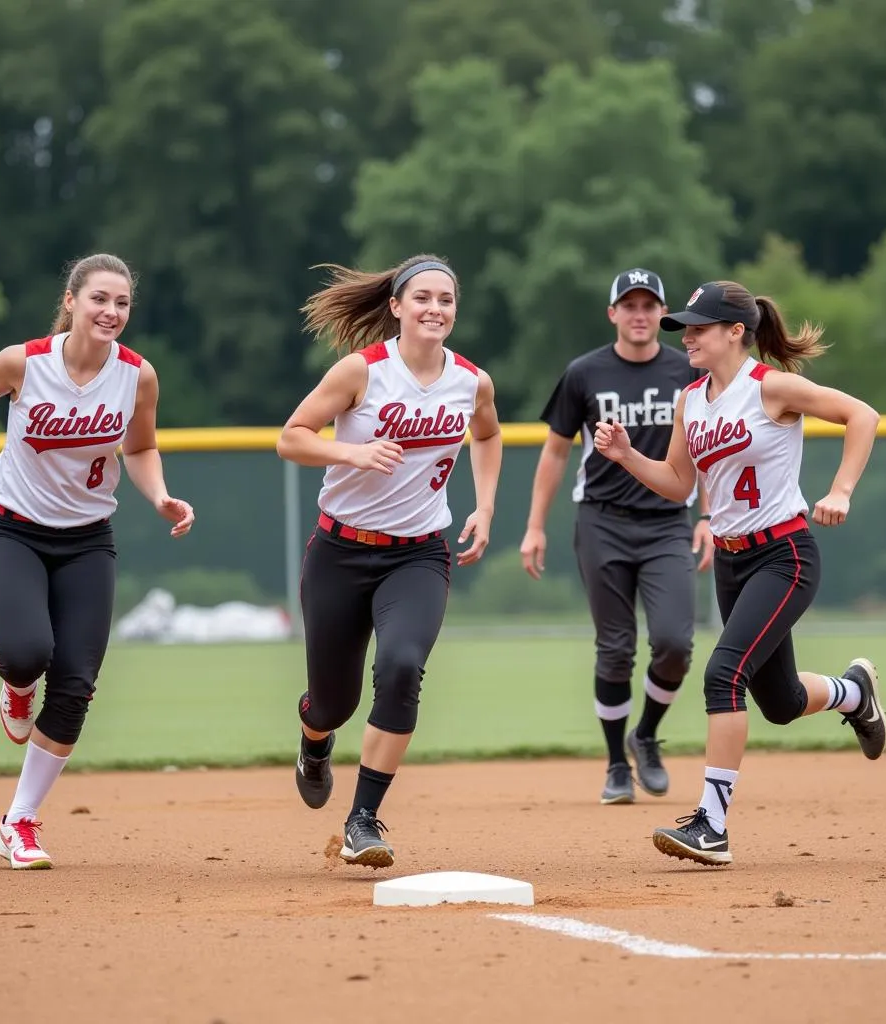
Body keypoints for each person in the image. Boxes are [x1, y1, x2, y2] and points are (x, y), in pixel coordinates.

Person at [0, 253, 195, 870]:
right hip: (10, 529)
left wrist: (160, 495)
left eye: (122, 303)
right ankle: (15, 686)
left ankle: (20, 822)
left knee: (77, 686)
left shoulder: (137, 376)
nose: (111, 312)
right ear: (71, 301)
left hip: (87, 540)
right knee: (27, 652)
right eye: (99, 299)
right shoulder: (25, 361)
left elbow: (140, 446)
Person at [593, 279, 885, 867]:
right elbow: (679, 483)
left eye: (699, 327)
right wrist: (626, 455)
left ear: (735, 332)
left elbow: (863, 414)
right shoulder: (691, 399)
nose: (689, 336)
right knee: (778, 701)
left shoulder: (771, 387)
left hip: (785, 554)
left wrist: (841, 490)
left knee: (721, 675)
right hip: (732, 560)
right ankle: (855, 694)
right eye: (687, 328)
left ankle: (712, 823)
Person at [276, 253, 502, 868]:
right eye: (422, 298)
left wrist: (483, 505)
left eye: (447, 299)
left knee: (402, 668)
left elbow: (486, 434)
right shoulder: (362, 372)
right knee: (334, 702)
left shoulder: (471, 381)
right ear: (397, 307)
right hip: (341, 551)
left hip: (419, 555)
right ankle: (314, 738)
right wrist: (353, 455)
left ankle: (363, 820)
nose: (435, 309)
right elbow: (291, 436)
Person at [520, 269, 714, 806]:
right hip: (602, 522)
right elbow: (556, 451)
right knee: (615, 649)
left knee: (674, 644)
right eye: (628, 304)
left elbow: (711, 447)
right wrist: (535, 525)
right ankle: (614, 764)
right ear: (612, 314)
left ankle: (646, 734)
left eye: (649, 304)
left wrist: (709, 516)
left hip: (668, 521)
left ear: (662, 314)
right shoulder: (585, 373)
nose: (639, 313)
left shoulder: (688, 372)